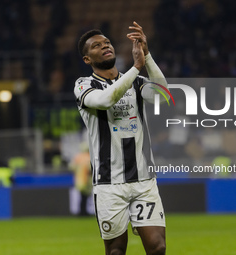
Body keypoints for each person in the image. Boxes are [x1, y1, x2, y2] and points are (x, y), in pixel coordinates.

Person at [74, 21, 167, 255]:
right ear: (87, 59)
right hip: (109, 182)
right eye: (96, 45)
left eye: (107, 42)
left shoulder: (136, 82)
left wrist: (147, 56)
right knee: (116, 251)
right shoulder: (84, 85)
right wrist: (136, 67)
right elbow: (106, 100)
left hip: (143, 179)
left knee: (157, 247)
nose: (105, 46)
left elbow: (163, 95)